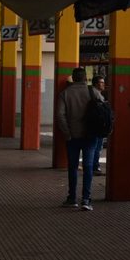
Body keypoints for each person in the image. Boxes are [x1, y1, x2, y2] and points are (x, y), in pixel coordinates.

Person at [56, 67, 95, 211]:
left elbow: (60, 115)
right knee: (88, 167)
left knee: (72, 167)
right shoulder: (93, 92)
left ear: (73, 78)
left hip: (72, 136)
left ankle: (72, 198)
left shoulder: (65, 94)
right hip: (90, 136)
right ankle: (86, 199)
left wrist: (67, 133)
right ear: (85, 78)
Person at [90, 75, 107, 176]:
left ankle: (92, 166)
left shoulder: (94, 93)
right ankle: (95, 167)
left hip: (93, 125)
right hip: (97, 125)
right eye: (101, 82)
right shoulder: (96, 95)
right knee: (97, 147)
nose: (103, 84)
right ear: (96, 84)